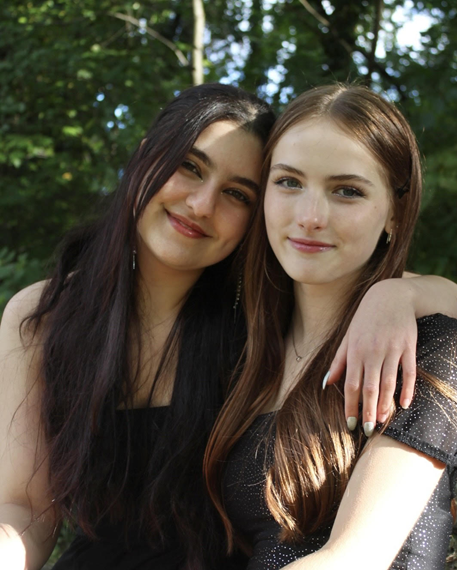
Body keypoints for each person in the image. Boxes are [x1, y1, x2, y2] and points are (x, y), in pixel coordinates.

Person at [0, 83, 456, 570]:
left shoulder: (272, 324)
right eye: (189, 166)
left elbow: (356, 555)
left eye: (237, 193)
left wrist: (398, 293)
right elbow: (21, 507)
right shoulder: (50, 315)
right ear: (142, 160)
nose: (200, 204)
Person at [205, 84, 457, 570]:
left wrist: (400, 292)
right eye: (288, 182)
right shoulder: (244, 353)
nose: (310, 217)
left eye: (347, 191)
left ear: (395, 213)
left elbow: (354, 558)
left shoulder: (431, 348)